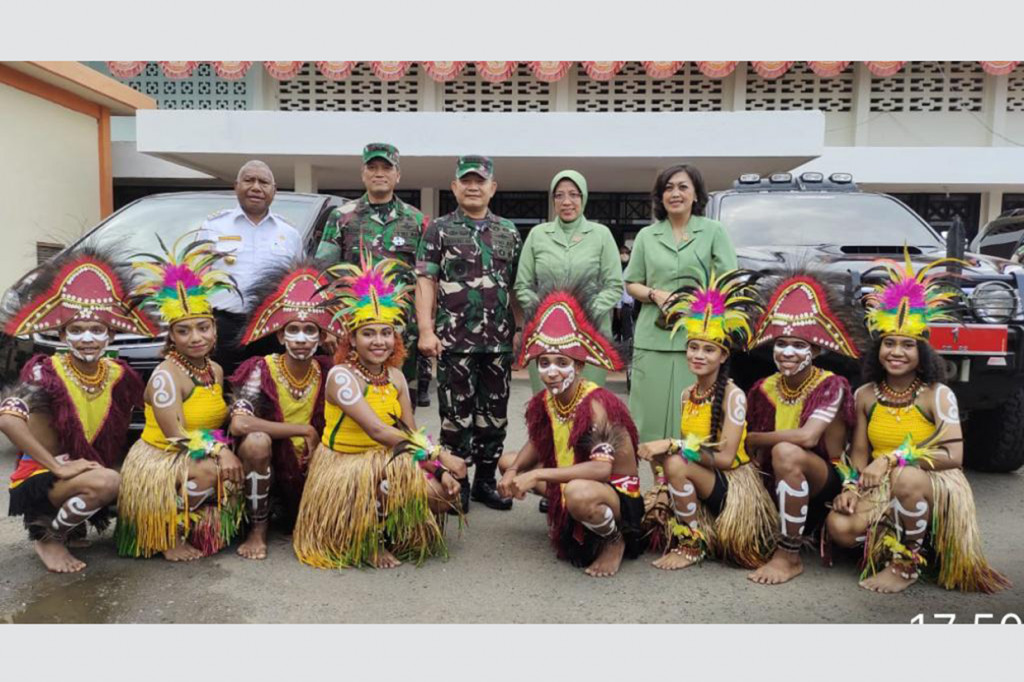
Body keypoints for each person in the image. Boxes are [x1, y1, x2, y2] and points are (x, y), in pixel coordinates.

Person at [825, 249, 1010, 593]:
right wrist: (850, 486)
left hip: (930, 480)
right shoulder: (866, 393)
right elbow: (860, 452)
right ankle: (899, 539)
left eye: (907, 345)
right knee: (839, 525)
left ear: (921, 352)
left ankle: (907, 562)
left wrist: (892, 458)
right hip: (882, 483)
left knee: (908, 477)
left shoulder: (937, 394)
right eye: (889, 344)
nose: (896, 352)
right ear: (877, 350)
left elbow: (953, 456)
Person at [292, 251, 466, 569]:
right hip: (349, 466)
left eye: (386, 333)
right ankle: (365, 539)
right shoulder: (342, 376)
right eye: (368, 333)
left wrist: (438, 471)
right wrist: (441, 456)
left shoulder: (396, 376)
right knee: (379, 476)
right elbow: (377, 430)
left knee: (442, 495)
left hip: (388, 457)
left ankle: (391, 530)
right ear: (352, 340)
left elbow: (408, 433)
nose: (379, 341)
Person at [0, 248, 156, 573]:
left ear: (111, 335)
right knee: (108, 482)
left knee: (137, 480)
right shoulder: (45, 372)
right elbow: (8, 419)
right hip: (42, 477)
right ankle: (49, 536)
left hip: (82, 468)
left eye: (97, 330)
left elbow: (141, 415)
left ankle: (71, 524)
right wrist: (56, 465)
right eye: (76, 330)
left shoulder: (118, 374)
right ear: (61, 335)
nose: (87, 339)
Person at [497, 279, 644, 578]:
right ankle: (569, 512)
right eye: (544, 362)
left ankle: (614, 540)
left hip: (615, 494)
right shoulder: (548, 400)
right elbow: (540, 442)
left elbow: (602, 471)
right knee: (507, 462)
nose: (551, 372)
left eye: (561, 363)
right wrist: (514, 472)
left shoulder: (597, 404)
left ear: (578, 366)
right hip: (580, 479)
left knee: (576, 492)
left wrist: (537, 474)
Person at [115, 234, 245, 561]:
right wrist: (220, 452)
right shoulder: (166, 376)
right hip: (162, 458)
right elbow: (175, 435)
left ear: (215, 330)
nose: (196, 338)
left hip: (196, 452)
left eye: (203, 328)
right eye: (184, 331)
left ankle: (197, 526)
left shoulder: (213, 370)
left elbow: (220, 416)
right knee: (211, 471)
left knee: (229, 470)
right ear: (171, 336)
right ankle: (165, 532)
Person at [638, 265, 777, 571]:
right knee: (668, 458)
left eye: (708, 350)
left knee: (674, 458)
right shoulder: (688, 394)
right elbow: (688, 447)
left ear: (724, 356)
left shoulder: (733, 395)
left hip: (731, 486)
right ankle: (694, 525)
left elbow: (726, 459)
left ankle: (693, 543)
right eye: (693, 347)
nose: (698, 355)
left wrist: (672, 445)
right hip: (705, 479)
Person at [416, 155, 522, 512]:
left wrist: (519, 330)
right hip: (453, 341)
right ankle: (456, 482)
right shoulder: (439, 229)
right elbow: (426, 280)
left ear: (493, 188)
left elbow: (516, 287)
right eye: (467, 180)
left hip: (499, 343)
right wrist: (426, 330)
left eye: (481, 181)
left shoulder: (508, 230)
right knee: (455, 417)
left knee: (494, 416)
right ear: (454, 187)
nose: (473, 186)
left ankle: (485, 483)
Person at [744, 270, 864, 585]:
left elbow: (808, 437)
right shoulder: (762, 388)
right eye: (781, 343)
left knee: (786, 451)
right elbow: (754, 455)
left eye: (798, 345)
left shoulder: (831, 385)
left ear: (816, 351)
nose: (787, 352)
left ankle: (789, 556)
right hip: (779, 479)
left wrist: (755, 437)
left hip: (825, 479)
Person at [227, 259, 342, 559]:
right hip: (271, 471)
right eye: (293, 330)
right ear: (280, 336)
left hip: (313, 472)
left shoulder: (331, 371)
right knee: (255, 442)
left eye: (310, 330)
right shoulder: (260, 369)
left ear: (320, 336)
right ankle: (257, 529)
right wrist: (303, 429)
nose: (302, 339)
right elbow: (239, 424)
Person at [624, 164, 737, 447]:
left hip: (698, 339)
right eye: (668, 188)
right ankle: (659, 485)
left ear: (696, 194)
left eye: (683, 187)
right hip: (653, 338)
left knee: (693, 419)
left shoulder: (714, 231)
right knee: (648, 420)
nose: (675, 193)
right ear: (660, 197)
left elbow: (728, 283)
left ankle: (688, 485)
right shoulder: (647, 236)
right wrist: (654, 294)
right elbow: (631, 283)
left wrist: (699, 304)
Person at [314, 143, 427, 405]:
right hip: (352, 330)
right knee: (354, 397)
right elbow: (323, 275)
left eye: (386, 168)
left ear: (397, 175)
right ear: (363, 174)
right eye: (372, 167)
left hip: (402, 332)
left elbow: (425, 279)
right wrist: (328, 326)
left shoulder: (416, 220)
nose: (379, 173)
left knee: (398, 400)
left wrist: (425, 327)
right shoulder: (342, 217)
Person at [513, 170, 623, 393]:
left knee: (587, 405)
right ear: (553, 200)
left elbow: (614, 286)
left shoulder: (601, 235)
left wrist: (579, 314)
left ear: (583, 198)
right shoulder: (537, 234)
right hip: (544, 336)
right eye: (559, 195)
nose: (566, 201)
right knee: (547, 407)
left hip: (591, 336)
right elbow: (522, 286)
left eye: (574, 194)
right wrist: (546, 313)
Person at [199, 160, 303, 375]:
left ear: (274, 191)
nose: (256, 187)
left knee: (270, 388)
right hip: (225, 326)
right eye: (249, 180)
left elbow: (297, 283)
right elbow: (198, 275)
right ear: (236, 186)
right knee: (222, 386)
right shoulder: (214, 226)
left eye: (264, 182)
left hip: (272, 328)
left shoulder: (289, 233)